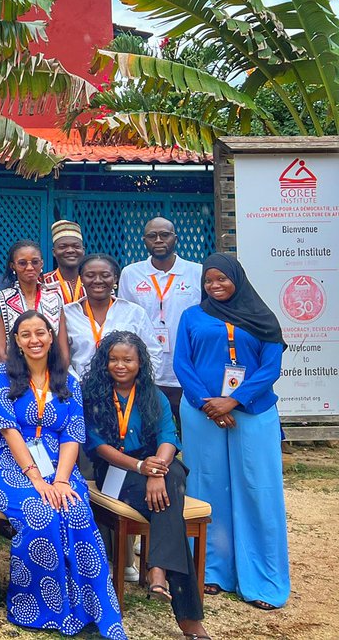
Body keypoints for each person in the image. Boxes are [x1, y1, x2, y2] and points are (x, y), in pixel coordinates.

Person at [0, 311, 125, 639]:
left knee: (76, 511)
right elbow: (8, 429)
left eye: (40, 333)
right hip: (7, 463)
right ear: (16, 341)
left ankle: (89, 611)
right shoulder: (1, 374)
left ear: (50, 336)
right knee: (40, 512)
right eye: (26, 334)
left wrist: (59, 480)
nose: (34, 340)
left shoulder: (68, 379)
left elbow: (72, 434)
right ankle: (39, 609)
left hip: (58, 464)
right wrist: (36, 479)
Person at [173, 254, 289, 611]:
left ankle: (263, 580)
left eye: (222, 279)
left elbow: (271, 368)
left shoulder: (263, 319)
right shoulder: (192, 316)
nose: (215, 285)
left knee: (257, 489)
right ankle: (211, 570)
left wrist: (234, 401)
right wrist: (209, 404)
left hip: (253, 413)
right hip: (201, 412)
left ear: (238, 278)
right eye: (209, 280)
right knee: (207, 489)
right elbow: (182, 362)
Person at [82, 331, 209, 640]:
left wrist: (155, 469)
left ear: (140, 363)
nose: (120, 365)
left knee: (172, 478)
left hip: (155, 467)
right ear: (104, 362)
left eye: (128, 359)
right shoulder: (95, 394)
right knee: (173, 490)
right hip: (116, 471)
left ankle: (159, 570)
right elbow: (98, 447)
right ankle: (183, 610)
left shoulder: (153, 395)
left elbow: (168, 437)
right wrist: (142, 467)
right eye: (113, 359)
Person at [118, 218, 202, 415]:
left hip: (187, 366)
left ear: (176, 238)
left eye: (164, 235)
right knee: (150, 427)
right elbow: (125, 321)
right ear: (144, 240)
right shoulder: (131, 273)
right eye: (152, 236)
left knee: (189, 427)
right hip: (146, 369)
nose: (158, 240)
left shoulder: (196, 272)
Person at [59, 254, 162, 379]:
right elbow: (61, 357)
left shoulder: (134, 312)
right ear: (81, 279)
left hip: (125, 390)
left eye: (105, 275)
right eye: (90, 275)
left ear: (115, 279)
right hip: (81, 390)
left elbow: (153, 353)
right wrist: (75, 384)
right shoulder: (67, 314)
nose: (97, 280)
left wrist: (138, 383)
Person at [0, 239, 65, 362]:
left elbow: (62, 350)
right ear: (12, 266)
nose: (30, 267)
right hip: (14, 374)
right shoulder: (0, 300)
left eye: (35, 262)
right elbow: (0, 353)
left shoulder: (55, 298)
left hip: (51, 374)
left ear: (42, 264)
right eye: (22, 263)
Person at [44, 220, 86, 305]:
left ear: (83, 251)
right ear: (54, 252)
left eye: (76, 246)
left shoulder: (94, 282)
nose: (70, 250)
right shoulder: (43, 283)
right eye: (63, 247)